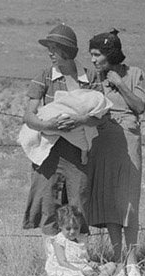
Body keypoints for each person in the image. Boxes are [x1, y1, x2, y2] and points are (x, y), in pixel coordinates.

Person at [21, 24, 95, 242]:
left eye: (55, 48)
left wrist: (80, 120)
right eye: (49, 48)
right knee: (49, 201)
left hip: (78, 153)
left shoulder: (89, 78)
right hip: (49, 152)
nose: (50, 53)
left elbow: (101, 115)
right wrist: (49, 126)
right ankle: (54, 260)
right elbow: (29, 116)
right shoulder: (44, 77)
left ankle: (77, 255)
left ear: (68, 50)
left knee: (78, 200)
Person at [87, 30, 145, 276]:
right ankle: (117, 259)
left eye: (97, 55)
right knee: (110, 199)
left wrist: (120, 84)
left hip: (128, 140)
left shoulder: (134, 74)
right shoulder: (93, 79)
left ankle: (132, 260)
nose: (93, 60)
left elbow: (140, 106)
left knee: (128, 201)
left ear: (109, 54)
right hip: (102, 140)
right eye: (91, 55)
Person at [44, 204, 123, 276]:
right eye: (68, 228)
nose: (72, 232)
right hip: (68, 269)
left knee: (111, 265)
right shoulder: (59, 240)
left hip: (82, 267)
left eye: (76, 228)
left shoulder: (81, 239)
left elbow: (84, 258)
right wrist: (81, 271)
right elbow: (62, 262)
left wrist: (91, 264)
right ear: (60, 226)